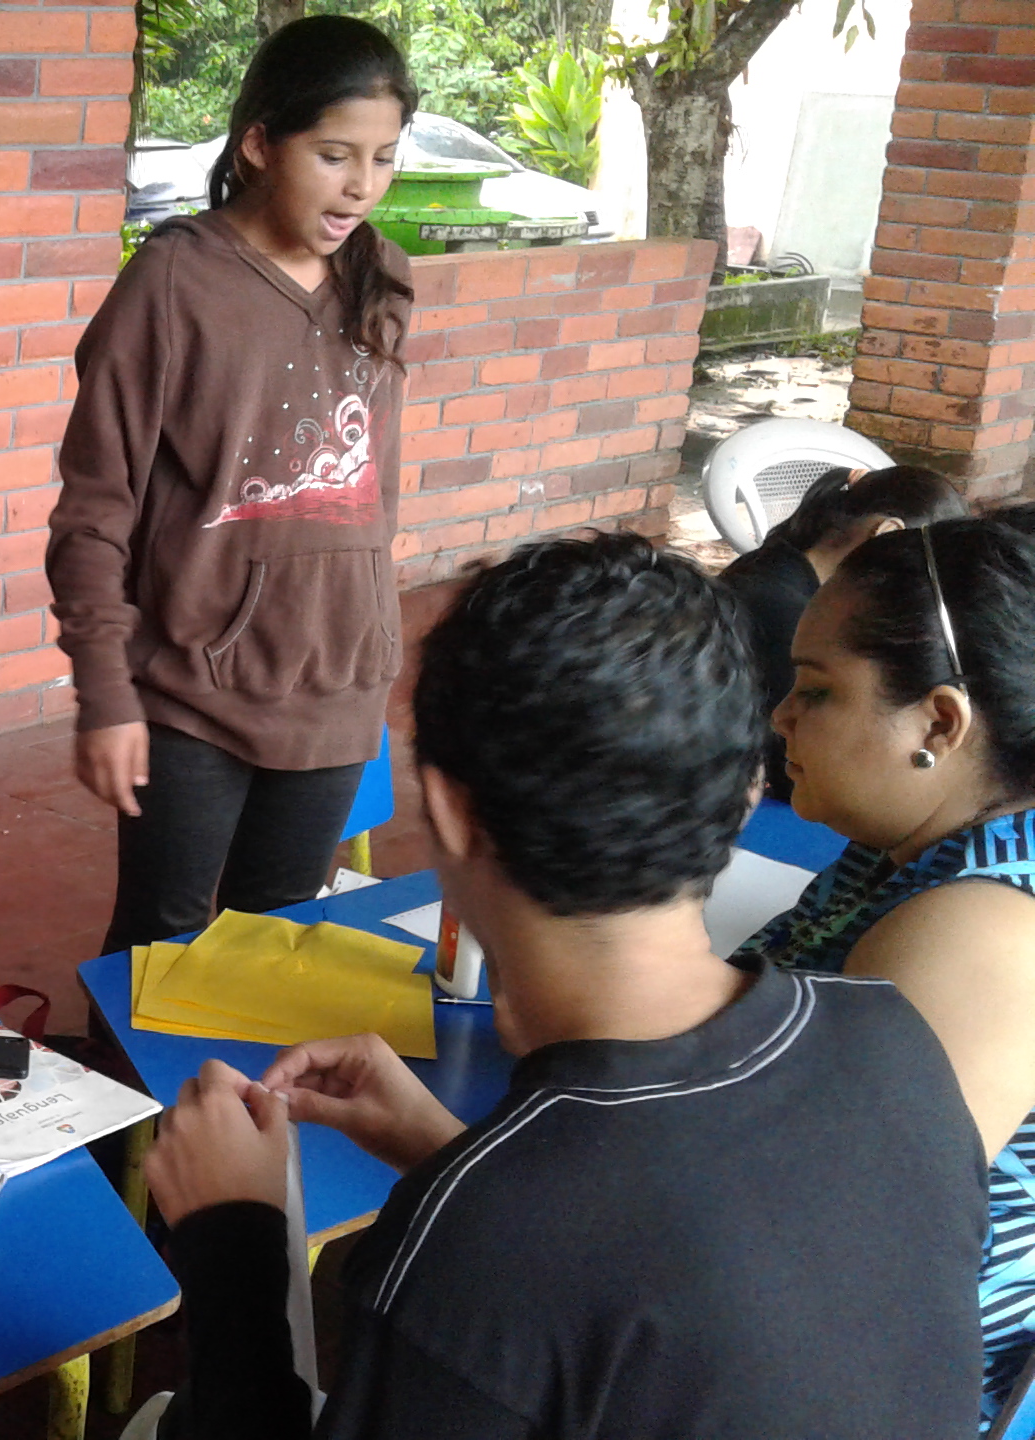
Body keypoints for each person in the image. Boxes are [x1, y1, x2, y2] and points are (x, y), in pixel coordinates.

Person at [146, 533, 985, 1438]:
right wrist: (446, 1155)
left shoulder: (469, 1254)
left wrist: (234, 1244)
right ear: (747, 790)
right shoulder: (894, 1038)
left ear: (452, 813)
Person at [48, 16, 418, 956]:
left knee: (278, 943)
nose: (362, 185)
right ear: (260, 144)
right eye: (334, 155)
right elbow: (94, 512)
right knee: (159, 949)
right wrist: (105, 692)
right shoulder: (174, 282)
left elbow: (374, 491)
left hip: (338, 687)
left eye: (382, 158)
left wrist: (372, 636)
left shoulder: (381, 275)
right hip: (193, 695)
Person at [736, 516, 1035, 1427]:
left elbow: (821, 1247)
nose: (780, 716)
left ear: (940, 722)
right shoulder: (901, 845)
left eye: (816, 691)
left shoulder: (974, 934)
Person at [716, 464, 963, 798]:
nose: (918, 588)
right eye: (922, 569)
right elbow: (801, 765)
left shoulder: (780, 564)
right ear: (886, 533)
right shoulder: (783, 610)